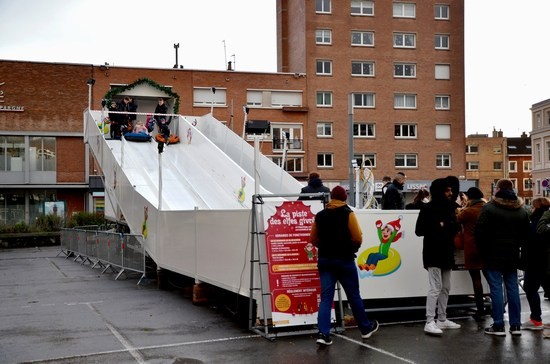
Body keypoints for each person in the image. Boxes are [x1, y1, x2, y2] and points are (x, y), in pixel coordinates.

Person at [310, 186, 379, 346]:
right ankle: (365, 329)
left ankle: (323, 334)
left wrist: (325, 246)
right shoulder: (348, 213)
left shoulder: (320, 215)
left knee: (326, 298)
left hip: (325, 260)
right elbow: (357, 236)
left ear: (331, 198)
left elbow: (313, 239)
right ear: (344, 198)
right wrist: (351, 247)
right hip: (344, 260)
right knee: (354, 295)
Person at [475, 178, 530, 336]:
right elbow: (526, 234)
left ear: (497, 189)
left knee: (496, 288)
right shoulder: (521, 209)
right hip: (512, 253)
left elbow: (480, 232)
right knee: (512, 288)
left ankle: (498, 324)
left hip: (492, 253)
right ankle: (515, 325)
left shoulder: (490, 208)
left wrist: (482, 251)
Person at [415, 176, 462, 336]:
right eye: (447, 190)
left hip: (446, 251)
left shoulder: (450, 208)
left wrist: (445, 225)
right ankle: (429, 321)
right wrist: (439, 226)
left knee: (446, 287)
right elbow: (419, 230)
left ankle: (442, 318)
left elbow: (454, 227)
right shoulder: (428, 208)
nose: (451, 193)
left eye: (451, 190)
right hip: (433, 252)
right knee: (436, 287)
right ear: (440, 191)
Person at [456, 187, 487, 321]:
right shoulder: (488, 209)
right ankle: (498, 307)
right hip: (487, 248)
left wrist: (459, 206)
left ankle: (480, 310)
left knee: (476, 279)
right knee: (492, 280)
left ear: (470, 197)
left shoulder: (468, 211)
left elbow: (457, 218)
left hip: (472, 247)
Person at [521, 197, 550, 330]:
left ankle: (536, 319)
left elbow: (529, 242)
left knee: (530, 288)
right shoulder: (546, 222)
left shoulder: (534, 224)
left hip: (534, 261)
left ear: (537, 208)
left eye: (532, 207)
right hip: (545, 262)